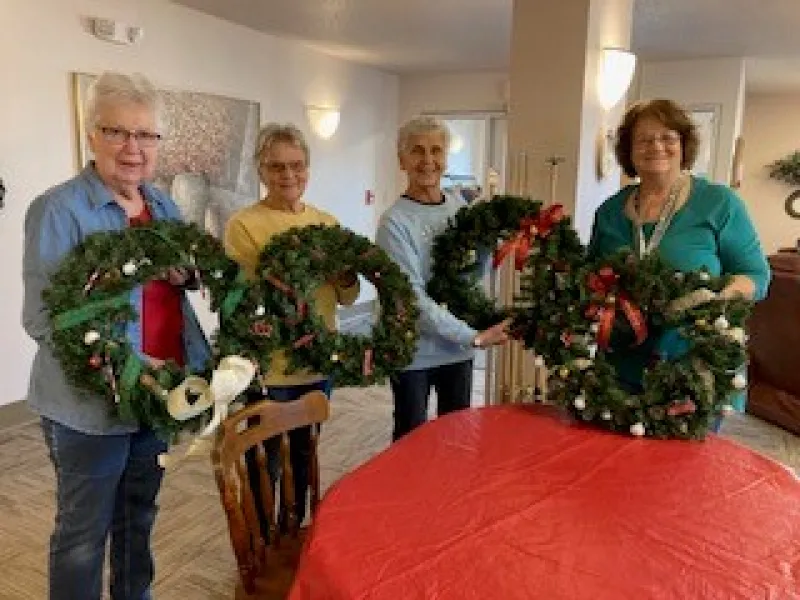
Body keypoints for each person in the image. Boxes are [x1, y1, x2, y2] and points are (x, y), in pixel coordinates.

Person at [22, 71, 209, 600]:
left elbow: (176, 282)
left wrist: (187, 274)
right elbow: (43, 317)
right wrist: (124, 368)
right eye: (118, 133)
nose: (134, 149)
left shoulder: (164, 205)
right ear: (91, 136)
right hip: (89, 407)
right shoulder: (60, 210)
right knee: (84, 535)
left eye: (146, 135)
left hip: (158, 396)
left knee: (138, 519)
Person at [587, 98, 771, 426]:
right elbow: (590, 278)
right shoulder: (610, 211)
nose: (655, 146)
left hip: (691, 368)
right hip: (619, 367)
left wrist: (710, 299)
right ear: (628, 150)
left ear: (684, 145)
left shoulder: (718, 203)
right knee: (614, 466)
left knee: (683, 472)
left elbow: (756, 276)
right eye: (643, 139)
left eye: (667, 137)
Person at [223, 122, 359, 530]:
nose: (288, 176)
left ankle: (295, 538)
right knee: (265, 465)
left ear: (308, 169)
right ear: (260, 171)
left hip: (317, 363)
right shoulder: (243, 226)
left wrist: (345, 274)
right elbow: (249, 299)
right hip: (270, 367)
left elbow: (348, 296)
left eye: (297, 166)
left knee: (305, 457)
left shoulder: (327, 223)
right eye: (277, 167)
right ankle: (265, 544)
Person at [376, 116, 510, 441]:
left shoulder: (459, 211)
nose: (428, 161)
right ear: (402, 160)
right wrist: (472, 337)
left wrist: (492, 248)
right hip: (413, 352)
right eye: (417, 151)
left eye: (436, 150)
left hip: (456, 350)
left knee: (457, 434)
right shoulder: (394, 223)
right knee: (412, 438)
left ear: (446, 157)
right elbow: (412, 299)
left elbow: (467, 277)